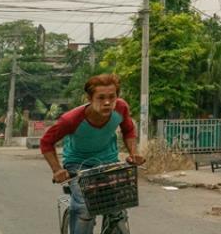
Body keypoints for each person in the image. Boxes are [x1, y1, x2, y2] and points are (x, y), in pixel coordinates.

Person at [40, 74, 145, 233]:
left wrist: (133, 153)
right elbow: (46, 142)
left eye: (112, 96)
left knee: (119, 206)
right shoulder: (71, 120)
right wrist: (57, 170)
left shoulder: (121, 108)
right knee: (84, 208)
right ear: (89, 98)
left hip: (109, 160)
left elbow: (128, 129)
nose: (107, 102)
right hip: (77, 163)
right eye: (101, 97)